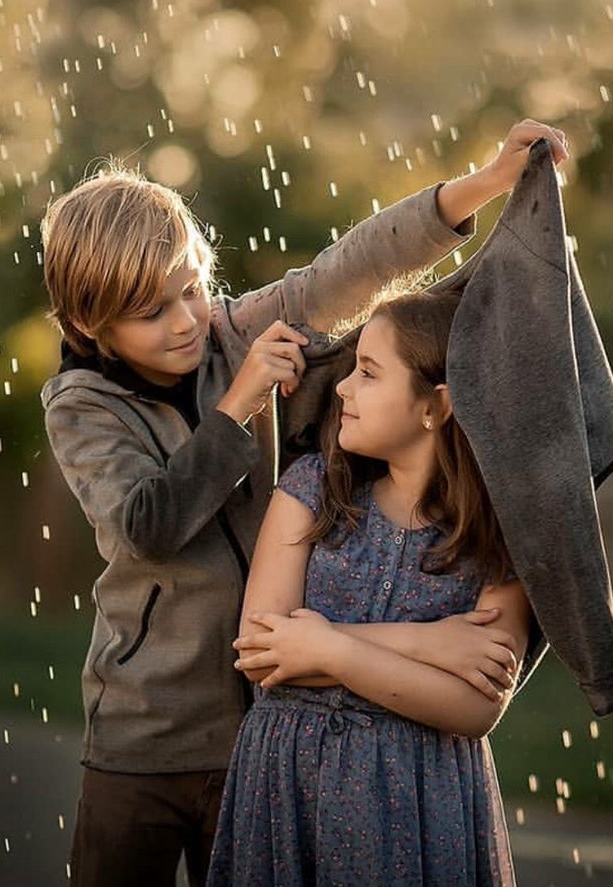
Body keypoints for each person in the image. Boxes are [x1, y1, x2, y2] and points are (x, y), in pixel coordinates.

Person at [40, 120, 567, 887]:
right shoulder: (81, 406)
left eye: (192, 288)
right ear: (92, 323)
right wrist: (241, 402)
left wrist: (485, 183)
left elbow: (350, 267)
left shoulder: (234, 332)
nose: (187, 321)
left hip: (258, 736)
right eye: (153, 312)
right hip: (143, 736)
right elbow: (149, 527)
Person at [208, 290, 534, 886]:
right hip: (288, 782)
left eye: (368, 373)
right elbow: (261, 653)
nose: (342, 388)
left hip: (418, 797)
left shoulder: (496, 532)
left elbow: (476, 707)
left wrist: (326, 649)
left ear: (436, 406)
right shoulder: (313, 488)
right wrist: (427, 644)